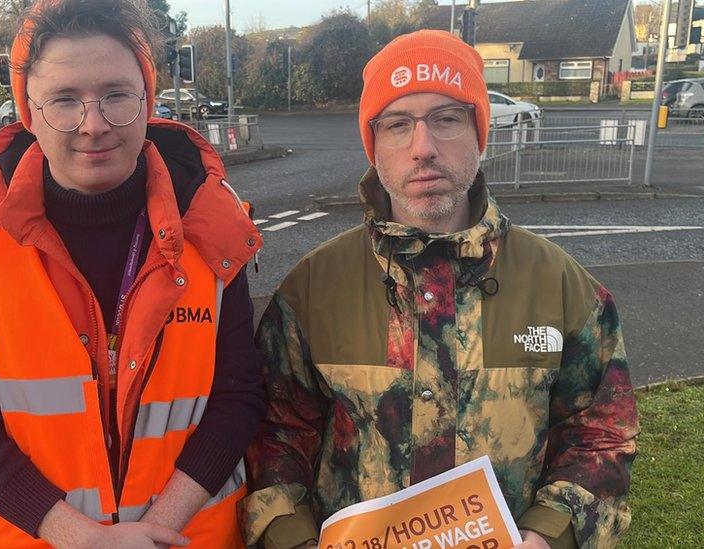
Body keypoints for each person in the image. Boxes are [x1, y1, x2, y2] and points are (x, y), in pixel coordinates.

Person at [241, 30, 639, 549]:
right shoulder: (311, 290)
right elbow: (275, 436)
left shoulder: (564, 287)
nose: (423, 148)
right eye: (398, 124)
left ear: (479, 133)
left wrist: (547, 537)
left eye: (447, 119)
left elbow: (600, 433)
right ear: (374, 143)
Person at [0, 0, 265, 547]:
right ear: (28, 113)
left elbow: (239, 393)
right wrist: (77, 535)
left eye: (115, 95)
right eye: (64, 100)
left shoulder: (211, 228)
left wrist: (153, 532)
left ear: (147, 100)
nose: (94, 124)